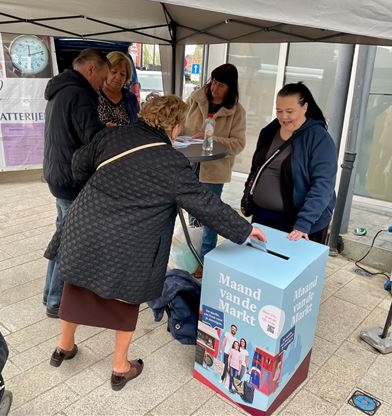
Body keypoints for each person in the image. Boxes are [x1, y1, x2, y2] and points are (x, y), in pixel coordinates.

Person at [44, 95, 266, 391]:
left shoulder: (113, 135)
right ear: (174, 126)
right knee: (125, 299)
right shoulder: (172, 161)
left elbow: (79, 164)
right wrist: (245, 230)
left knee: (77, 286)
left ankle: (64, 347)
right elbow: (205, 204)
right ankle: (120, 367)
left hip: (85, 224)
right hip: (128, 241)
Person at [42, 49, 110, 318]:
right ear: (92, 69)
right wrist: (108, 135)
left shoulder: (60, 90)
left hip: (58, 175)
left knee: (62, 236)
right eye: (102, 78)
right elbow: (92, 141)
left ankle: (50, 293)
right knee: (71, 243)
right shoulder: (80, 94)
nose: (101, 85)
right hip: (72, 179)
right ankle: (57, 300)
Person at [244, 82, 337, 244]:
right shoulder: (269, 132)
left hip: (298, 224)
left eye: (289, 111)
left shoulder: (319, 138)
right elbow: (256, 168)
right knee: (259, 265)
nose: (283, 117)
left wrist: (304, 223)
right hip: (263, 216)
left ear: (305, 108)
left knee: (287, 267)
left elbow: (323, 184)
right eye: (279, 111)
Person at [184, 63, 246, 259]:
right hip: (188, 163)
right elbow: (180, 125)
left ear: (230, 88)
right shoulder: (195, 99)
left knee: (210, 214)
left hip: (214, 169)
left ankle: (206, 257)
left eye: (221, 85)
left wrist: (210, 139)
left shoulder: (236, 111)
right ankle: (191, 254)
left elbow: (238, 144)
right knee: (192, 211)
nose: (215, 88)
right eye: (214, 82)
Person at [98, 51, 139, 126]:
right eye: (114, 72)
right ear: (105, 71)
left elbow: (138, 124)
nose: (118, 77)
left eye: (122, 74)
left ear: (126, 78)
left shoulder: (130, 98)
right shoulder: (93, 96)